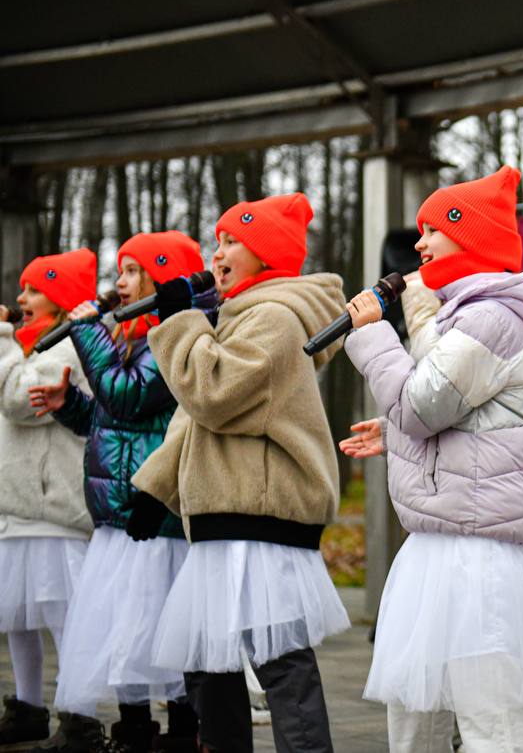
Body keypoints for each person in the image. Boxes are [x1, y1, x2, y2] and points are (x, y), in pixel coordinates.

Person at [341, 166, 523, 753]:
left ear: (470, 239)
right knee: (414, 718)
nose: (419, 245)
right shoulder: (467, 315)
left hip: (474, 559)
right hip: (439, 547)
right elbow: (453, 416)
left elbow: (421, 406)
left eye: (432, 231)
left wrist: (373, 336)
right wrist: (394, 432)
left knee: (492, 722)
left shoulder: (491, 320)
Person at [128, 194, 350, 753]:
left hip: (260, 521)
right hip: (226, 520)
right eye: (218, 240)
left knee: (280, 664)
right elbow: (194, 425)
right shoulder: (239, 318)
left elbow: (213, 394)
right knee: (210, 668)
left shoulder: (275, 319)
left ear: (267, 255)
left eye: (233, 241)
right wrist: (156, 489)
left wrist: (179, 321)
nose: (218, 253)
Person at [29, 233, 211, 753]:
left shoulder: (176, 336)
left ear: (162, 277)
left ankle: (182, 735)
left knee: (163, 633)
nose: (121, 282)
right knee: (126, 633)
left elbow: (128, 396)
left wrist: (87, 331)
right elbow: (114, 421)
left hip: (157, 517)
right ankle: (133, 732)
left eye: (133, 271)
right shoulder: (131, 338)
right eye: (121, 270)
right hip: (119, 516)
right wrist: (71, 405)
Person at [0, 251, 95, 751]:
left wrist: (1, 342)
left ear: (60, 298)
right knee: (17, 617)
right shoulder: (27, 346)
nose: (21, 298)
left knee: (63, 617)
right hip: (19, 509)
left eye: (34, 289)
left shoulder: (68, 346)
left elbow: (19, 400)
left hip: (54, 510)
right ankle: (27, 708)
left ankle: (80, 716)